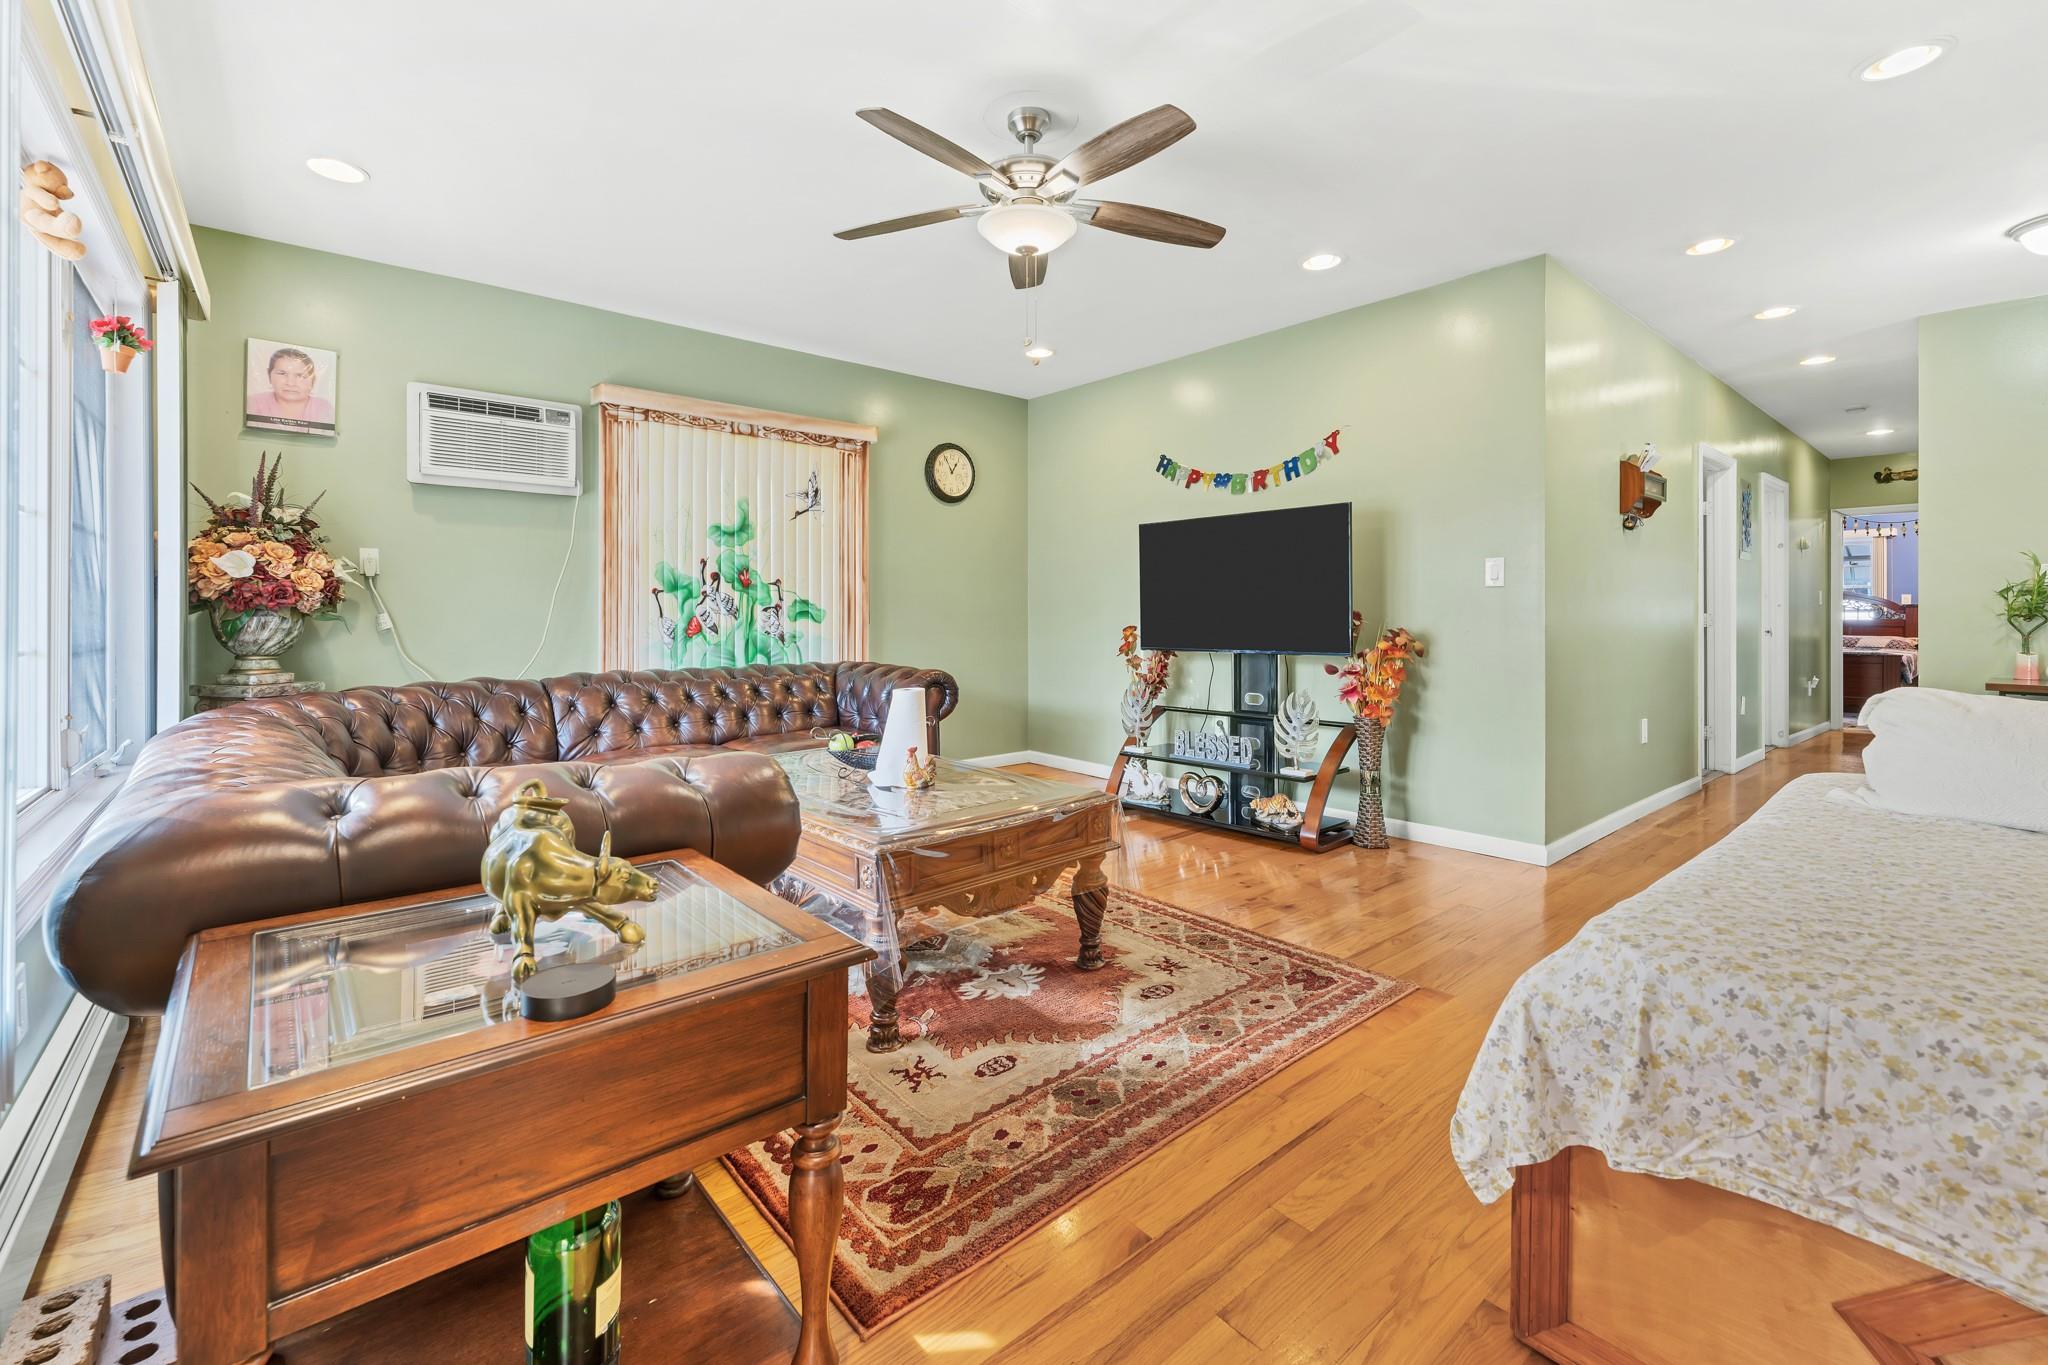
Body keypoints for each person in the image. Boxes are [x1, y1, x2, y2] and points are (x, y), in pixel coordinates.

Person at [247, 346, 334, 427]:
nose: (290, 383)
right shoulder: (254, 403)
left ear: (313, 380)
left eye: (300, 375)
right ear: (269, 374)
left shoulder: (324, 408)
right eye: (282, 373)